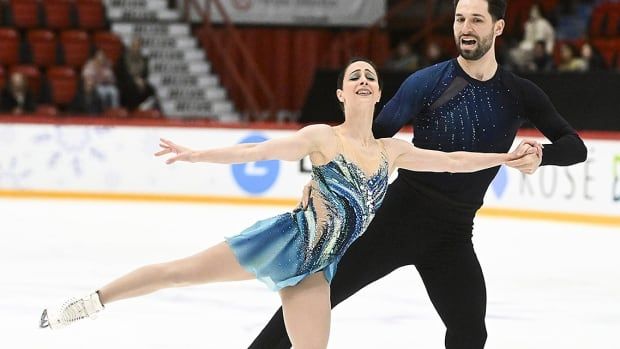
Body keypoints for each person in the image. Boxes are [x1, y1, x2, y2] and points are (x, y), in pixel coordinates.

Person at [40, 58, 537, 349]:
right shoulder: (324, 137)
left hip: (318, 269)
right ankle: (90, 302)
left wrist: (507, 157)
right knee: (178, 272)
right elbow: (259, 151)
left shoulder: (393, 151)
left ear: (379, 92)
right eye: (354, 77)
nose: (363, 80)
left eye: (370, 76)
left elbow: (452, 162)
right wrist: (197, 154)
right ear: (342, 94)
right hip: (284, 241)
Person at [249, 1, 587, 348]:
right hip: (395, 220)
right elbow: (367, 136)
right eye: (459, 19)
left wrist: (541, 156)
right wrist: (326, 176)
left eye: (475, 20)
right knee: (313, 296)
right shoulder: (429, 82)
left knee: (470, 332)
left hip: (452, 236)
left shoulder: (518, 94)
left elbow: (576, 147)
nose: (465, 28)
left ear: (498, 27)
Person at [509, 3, 555, 71]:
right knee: (512, 54)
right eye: (532, 10)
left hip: (542, 50)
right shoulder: (528, 24)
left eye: (535, 10)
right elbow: (526, 39)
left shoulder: (543, 23)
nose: (532, 12)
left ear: (539, 11)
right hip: (529, 47)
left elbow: (539, 42)